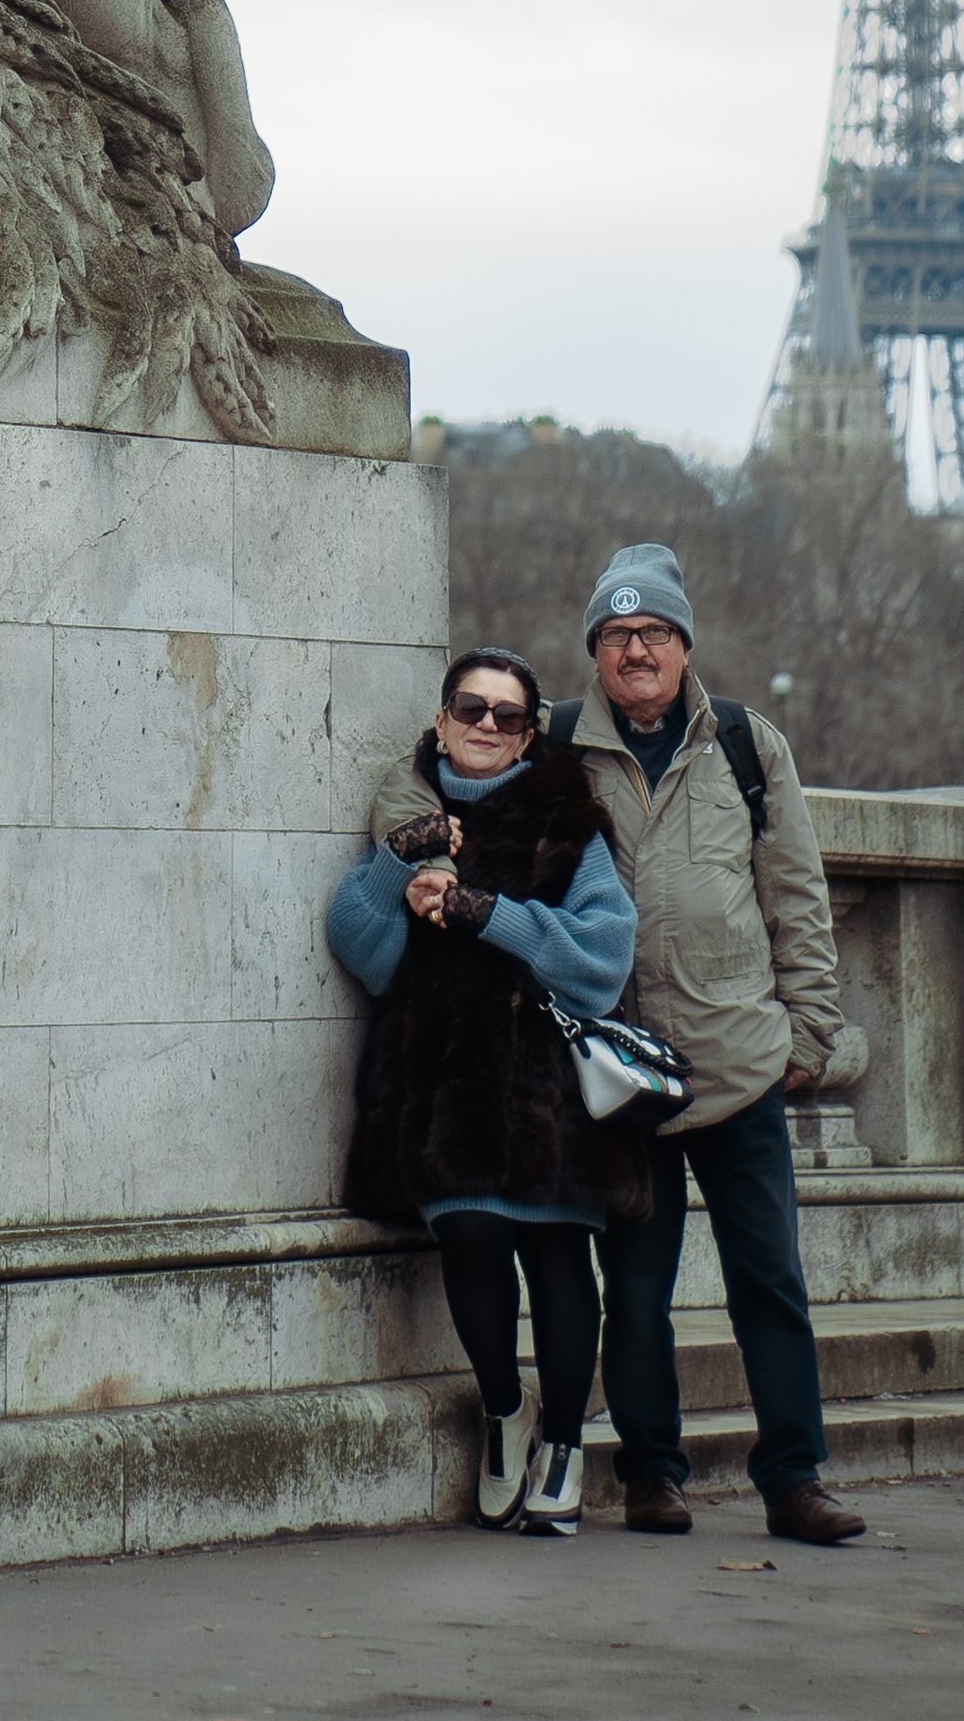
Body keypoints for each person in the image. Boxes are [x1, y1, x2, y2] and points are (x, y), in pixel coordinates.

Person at [558, 543, 865, 1546]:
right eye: (616, 635)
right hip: (621, 1076)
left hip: (738, 1065)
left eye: (652, 633)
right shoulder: (558, 748)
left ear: (685, 646)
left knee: (768, 1283)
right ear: (595, 653)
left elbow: (796, 896)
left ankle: (793, 1480)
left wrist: (810, 1028)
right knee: (634, 1294)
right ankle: (653, 1475)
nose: (635, 649)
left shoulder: (745, 743)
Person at [327, 645, 644, 1538]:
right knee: (469, 1237)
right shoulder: (410, 810)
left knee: (556, 1262)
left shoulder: (567, 822)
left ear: (529, 731)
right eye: (471, 707)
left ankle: (567, 1448)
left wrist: (487, 913)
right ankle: (506, 1410)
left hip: (549, 1095)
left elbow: (601, 955)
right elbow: (363, 944)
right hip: (445, 1088)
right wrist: (403, 863)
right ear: (441, 717)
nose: (486, 726)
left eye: (508, 715)